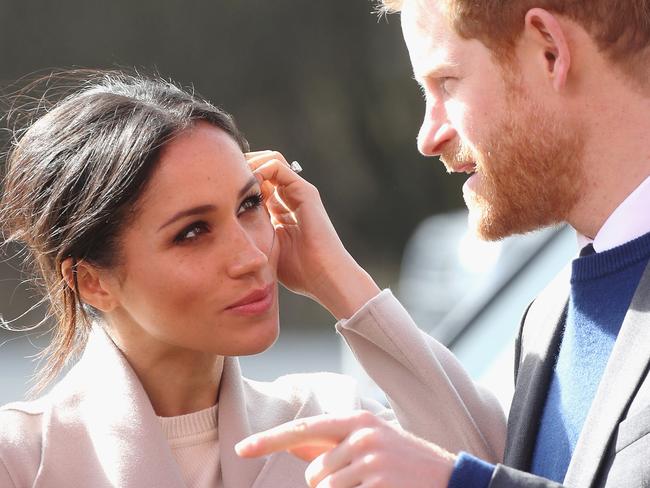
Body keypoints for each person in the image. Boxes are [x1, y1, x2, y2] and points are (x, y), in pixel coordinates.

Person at [0, 70, 504, 487]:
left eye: (249, 205)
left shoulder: (328, 421)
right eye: (193, 232)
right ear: (91, 282)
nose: (251, 255)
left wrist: (338, 278)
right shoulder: (21, 461)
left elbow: (489, 469)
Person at [236, 0, 650, 487]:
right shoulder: (549, 315)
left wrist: (455, 482)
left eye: (446, 84)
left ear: (550, 52)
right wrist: (334, 278)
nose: (427, 137)